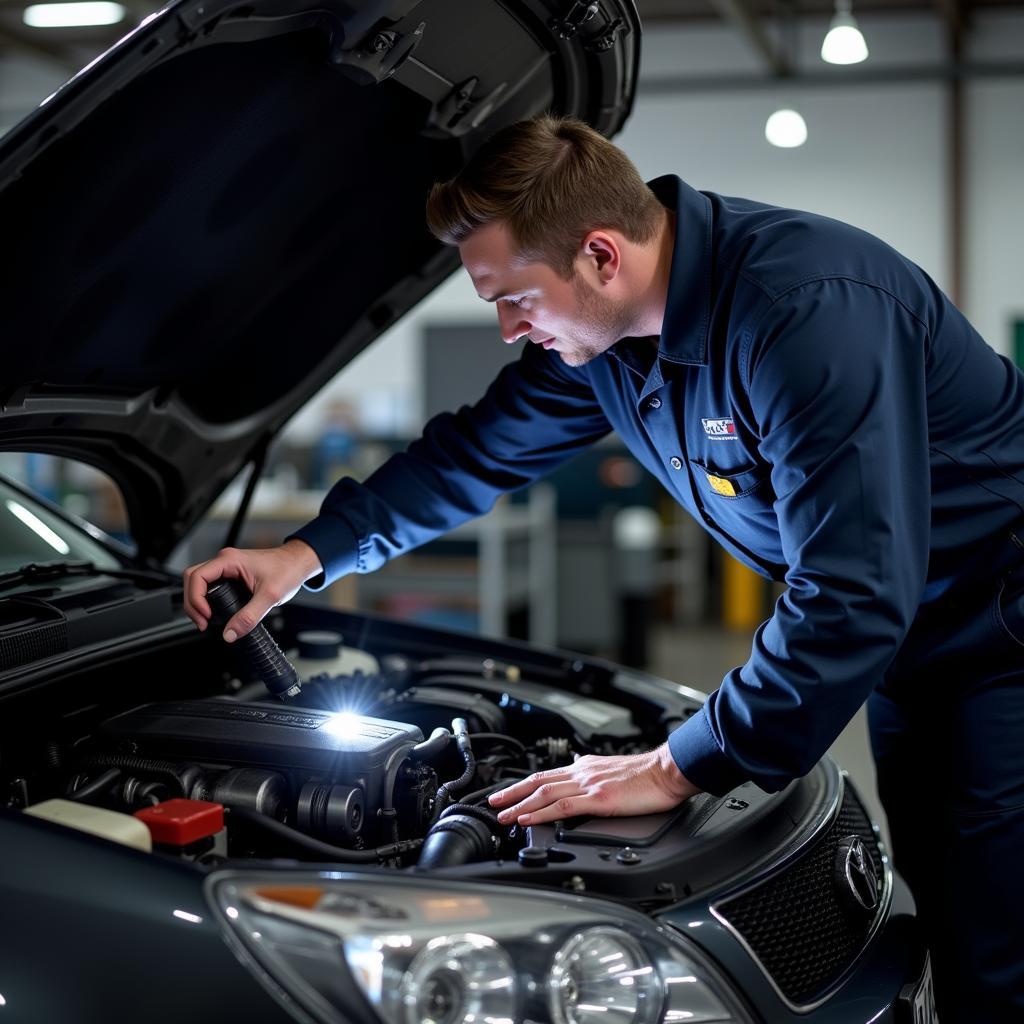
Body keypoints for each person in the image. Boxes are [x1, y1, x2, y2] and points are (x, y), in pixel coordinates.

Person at [183, 115, 1024, 1021]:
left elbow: (851, 594)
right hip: (909, 643)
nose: (508, 330)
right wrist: (307, 554)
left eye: (515, 297)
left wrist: (673, 767)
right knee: (945, 891)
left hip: (1003, 628)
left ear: (599, 255)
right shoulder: (604, 339)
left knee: (1002, 930)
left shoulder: (803, 312)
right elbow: (476, 453)